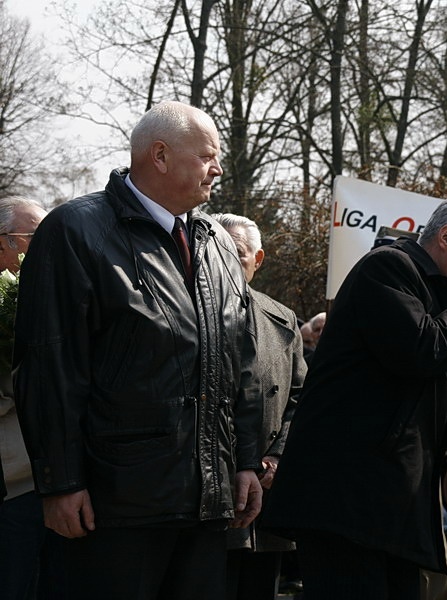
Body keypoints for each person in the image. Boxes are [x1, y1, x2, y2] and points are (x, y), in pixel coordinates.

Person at [13, 100, 264, 600]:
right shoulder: (75, 231)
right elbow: (50, 367)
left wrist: (247, 462)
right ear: (161, 156)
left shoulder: (215, 242)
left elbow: (244, 363)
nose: (218, 169)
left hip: (207, 504)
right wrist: (60, 484)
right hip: (115, 505)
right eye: (209, 156)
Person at [262, 192, 447, 600]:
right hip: (349, 497)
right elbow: (416, 350)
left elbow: (419, 392)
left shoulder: (437, 291)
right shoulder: (390, 267)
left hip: (390, 504)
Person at [214, 213, 308, 600]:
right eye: (220, 252)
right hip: (211, 489)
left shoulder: (282, 319)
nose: (229, 263)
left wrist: (276, 456)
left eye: (238, 253)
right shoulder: (187, 312)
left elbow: (300, 396)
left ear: (259, 259)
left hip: (267, 493)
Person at [0, 196, 65, 600]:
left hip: (51, 482)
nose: (43, 246)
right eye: (32, 237)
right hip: (12, 481)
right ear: (2, 242)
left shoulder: (52, 297)